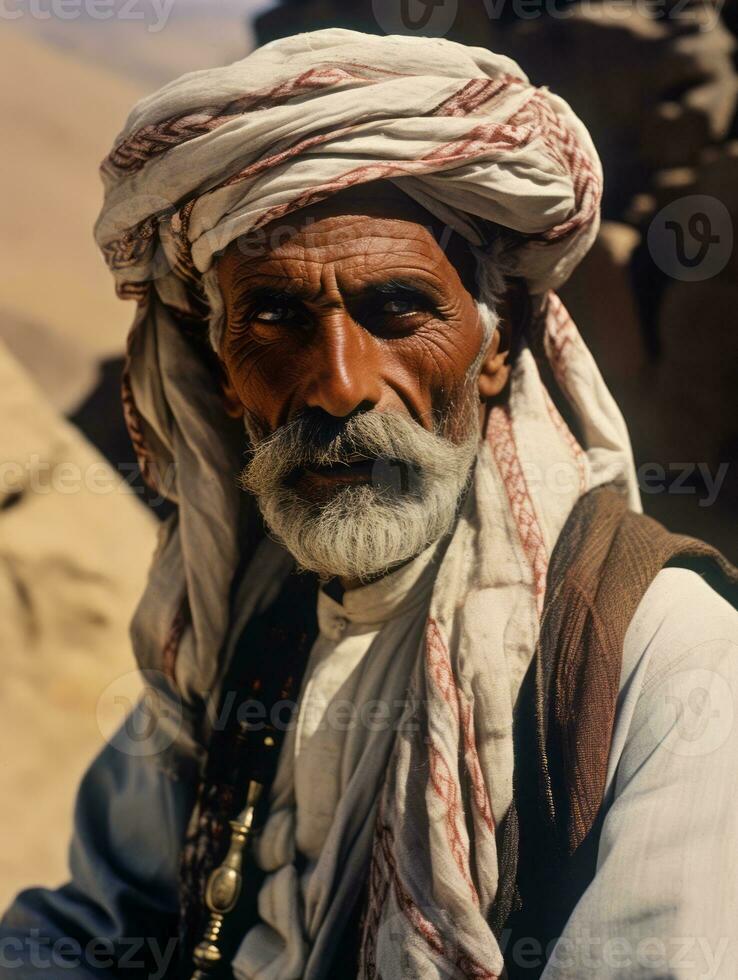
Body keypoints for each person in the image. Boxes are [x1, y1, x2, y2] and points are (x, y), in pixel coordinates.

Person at [3, 28, 737, 980]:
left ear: (496, 343)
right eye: (273, 318)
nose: (339, 384)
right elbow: (94, 925)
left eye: (397, 310)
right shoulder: (241, 620)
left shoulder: (661, 658)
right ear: (222, 373)